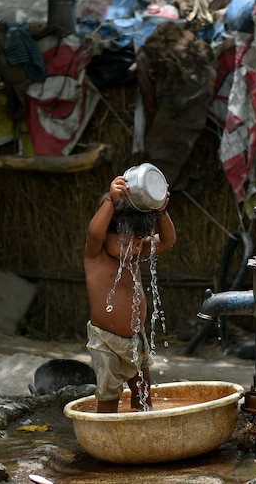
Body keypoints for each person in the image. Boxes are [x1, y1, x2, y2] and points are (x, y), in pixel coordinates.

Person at [83, 174, 176, 412]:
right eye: (125, 242)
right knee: (108, 393)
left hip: (136, 339)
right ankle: (106, 439)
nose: (133, 248)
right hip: (106, 342)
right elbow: (94, 233)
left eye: (137, 240)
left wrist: (161, 212)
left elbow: (168, 240)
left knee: (143, 390)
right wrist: (111, 203)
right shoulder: (96, 256)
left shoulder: (135, 252)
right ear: (107, 236)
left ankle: (143, 432)